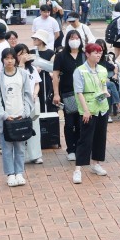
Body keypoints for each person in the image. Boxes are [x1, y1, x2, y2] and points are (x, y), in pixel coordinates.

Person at [71, 43, 111, 184]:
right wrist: (86, 111)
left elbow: (103, 85)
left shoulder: (102, 70)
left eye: (100, 52)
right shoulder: (80, 71)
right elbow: (79, 92)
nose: (98, 55)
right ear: (87, 54)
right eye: (95, 52)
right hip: (88, 109)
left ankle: (96, 164)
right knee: (85, 139)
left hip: (102, 108)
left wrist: (106, 92)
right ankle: (78, 169)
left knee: (100, 137)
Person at [52, 30, 86, 160]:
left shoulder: (84, 55)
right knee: (69, 122)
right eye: (72, 37)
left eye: (77, 37)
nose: (75, 40)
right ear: (67, 40)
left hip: (83, 93)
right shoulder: (61, 56)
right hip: (67, 93)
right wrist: (56, 93)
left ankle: (79, 147)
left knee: (81, 122)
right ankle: (70, 149)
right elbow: (55, 75)